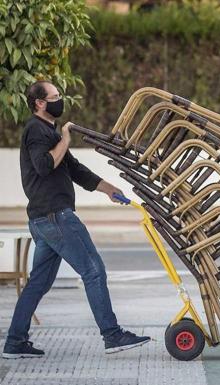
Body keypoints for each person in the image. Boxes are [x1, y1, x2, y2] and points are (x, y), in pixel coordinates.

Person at [2, 81, 150, 359]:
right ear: (39, 104)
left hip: (44, 219)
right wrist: (66, 139)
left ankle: (15, 342)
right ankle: (112, 334)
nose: (61, 100)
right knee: (93, 271)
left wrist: (108, 189)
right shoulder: (36, 129)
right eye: (55, 96)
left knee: (38, 283)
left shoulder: (49, 131)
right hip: (56, 217)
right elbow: (45, 165)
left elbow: (75, 169)